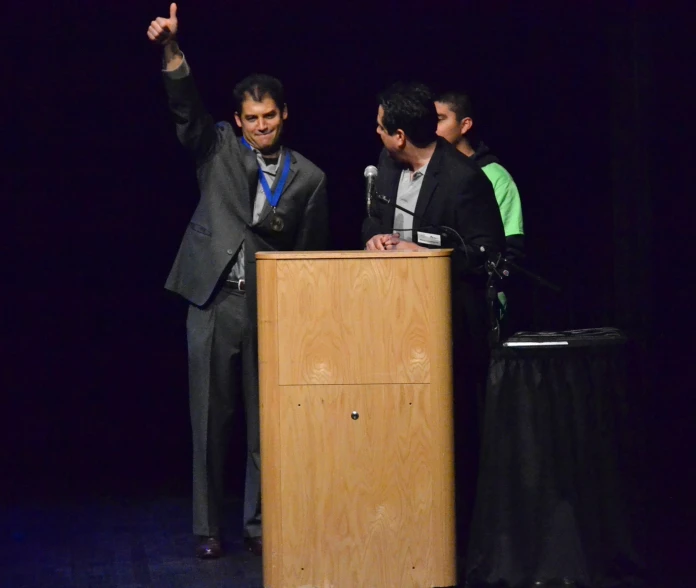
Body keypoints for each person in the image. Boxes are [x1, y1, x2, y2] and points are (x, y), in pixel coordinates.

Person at [147, 3, 329, 559]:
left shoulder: (311, 178)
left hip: (270, 310)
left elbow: (310, 257)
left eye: (269, 117)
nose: (261, 126)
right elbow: (185, 110)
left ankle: (259, 524)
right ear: (239, 119)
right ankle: (207, 528)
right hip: (214, 299)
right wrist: (171, 51)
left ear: (284, 115)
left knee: (265, 426)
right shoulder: (218, 147)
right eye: (251, 118)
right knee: (210, 420)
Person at [362, 82, 504, 555]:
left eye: (381, 127)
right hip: (388, 329)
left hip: (446, 333)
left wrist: (422, 252)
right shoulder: (385, 166)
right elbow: (372, 220)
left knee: (447, 440)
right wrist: (375, 241)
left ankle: (455, 543)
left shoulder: (464, 179)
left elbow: (488, 254)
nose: (376, 133)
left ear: (400, 135)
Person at [435, 92, 525, 329]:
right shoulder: (432, 175)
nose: (433, 128)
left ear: (465, 125)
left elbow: (510, 250)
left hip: (478, 303)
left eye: (440, 119)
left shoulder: (496, 176)